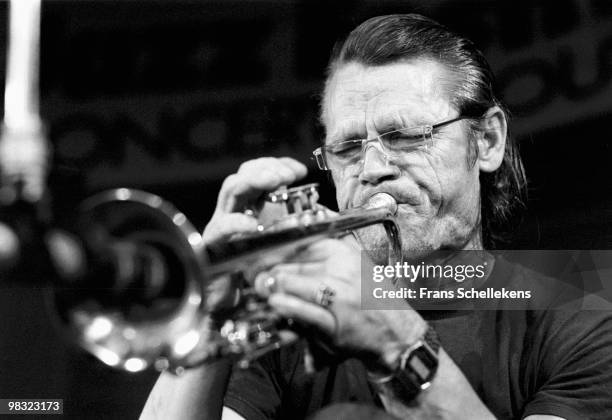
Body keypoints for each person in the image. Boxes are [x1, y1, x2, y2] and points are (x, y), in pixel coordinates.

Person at [141, 14, 612, 420]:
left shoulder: (584, 307)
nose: (371, 170)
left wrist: (397, 341)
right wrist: (207, 319)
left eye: (406, 135)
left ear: (486, 140)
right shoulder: (286, 319)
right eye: (346, 148)